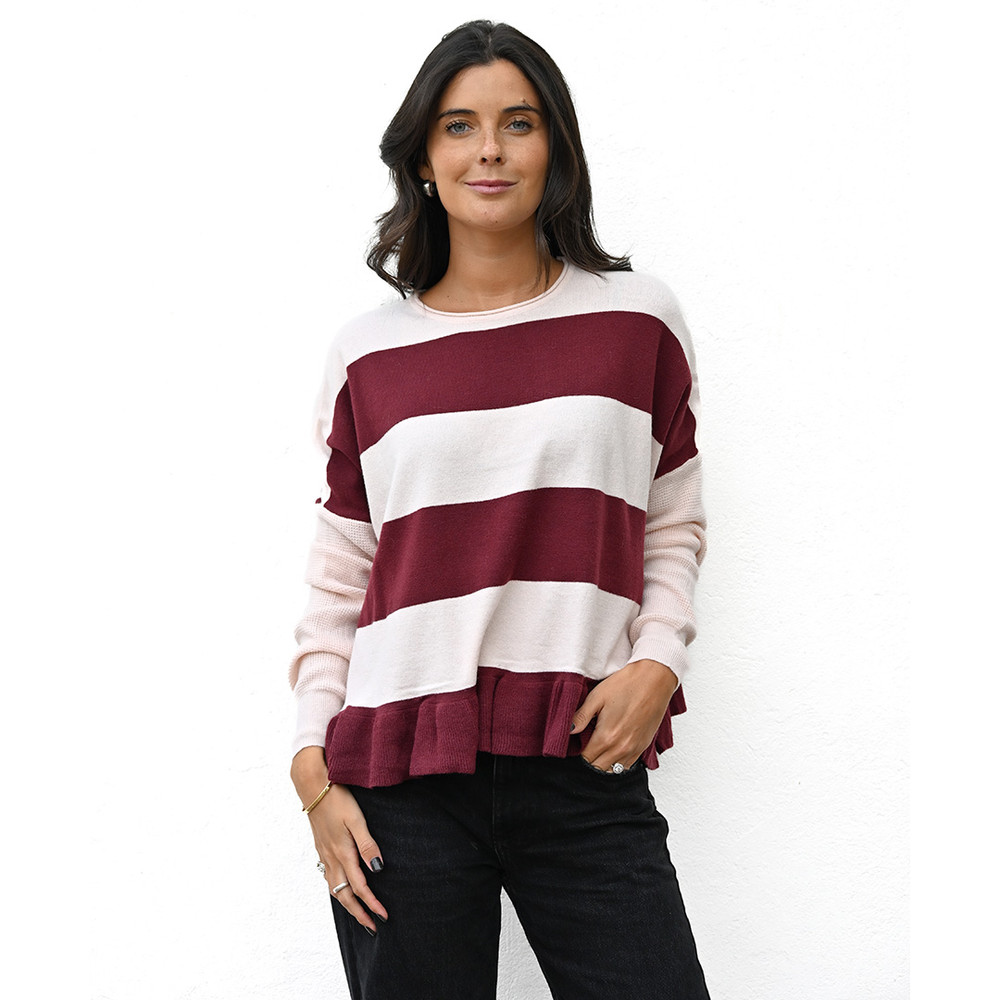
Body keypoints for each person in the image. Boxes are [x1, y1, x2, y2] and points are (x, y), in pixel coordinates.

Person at [288, 19, 711, 1000]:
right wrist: (312, 765)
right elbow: (342, 573)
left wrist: (658, 659)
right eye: (459, 126)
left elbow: (673, 520)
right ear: (422, 158)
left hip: (580, 759)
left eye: (518, 123)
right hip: (398, 777)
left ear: (555, 146)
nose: (489, 149)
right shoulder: (367, 354)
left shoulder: (636, 320)